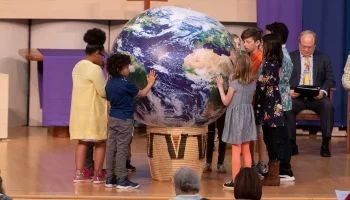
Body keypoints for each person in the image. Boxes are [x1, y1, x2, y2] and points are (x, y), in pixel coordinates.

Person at [104, 53, 157, 189]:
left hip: (113, 117)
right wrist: (150, 82)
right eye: (127, 67)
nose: (129, 69)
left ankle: (110, 178)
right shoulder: (126, 84)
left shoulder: (109, 83)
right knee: (122, 148)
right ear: (120, 69)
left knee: (111, 147)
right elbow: (142, 93)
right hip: (125, 118)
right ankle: (122, 179)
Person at [289, 30, 335, 157]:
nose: (306, 49)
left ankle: (325, 144)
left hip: (316, 98)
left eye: (310, 47)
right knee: (288, 107)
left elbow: (330, 79)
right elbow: (282, 79)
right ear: (299, 44)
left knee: (328, 106)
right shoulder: (290, 58)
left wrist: (323, 92)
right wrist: (288, 91)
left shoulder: (324, 58)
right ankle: (292, 144)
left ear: (315, 46)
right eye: (304, 46)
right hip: (297, 97)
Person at [70, 28, 107, 184]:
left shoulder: (78, 66)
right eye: (102, 55)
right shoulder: (94, 69)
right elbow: (103, 92)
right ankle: (97, 175)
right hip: (94, 112)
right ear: (97, 53)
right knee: (100, 142)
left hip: (79, 112)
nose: (103, 59)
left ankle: (78, 174)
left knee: (82, 142)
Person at [217, 54, 257, 188]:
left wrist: (221, 87)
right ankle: (248, 180)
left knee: (236, 148)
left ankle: (235, 181)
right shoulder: (252, 83)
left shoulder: (234, 84)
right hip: (247, 116)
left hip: (236, 117)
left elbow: (226, 101)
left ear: (237, 67)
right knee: (246, 149)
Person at [264, 22, 295, 182]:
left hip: (280, 101)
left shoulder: (282, 57)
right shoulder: (278, 54)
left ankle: (284, 169)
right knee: (276, 137)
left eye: (267, 34)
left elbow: (276, 80)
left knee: (280, 137)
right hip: (277, 101)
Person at [255, 33, 284, 186]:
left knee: (270, 139)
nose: (261, 47)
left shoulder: (270, 64)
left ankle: (274, 176)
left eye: (263, 45)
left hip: (269, 104)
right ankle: (273, 174)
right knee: (268, 137)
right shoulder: (272, 62)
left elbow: (263, 83)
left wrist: (255, 81)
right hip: (269, 102)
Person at [241, 27, 268, 176]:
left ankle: (262, 164)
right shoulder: (248, 57)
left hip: (257, 99)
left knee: (259, 133)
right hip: (248, 99)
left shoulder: (260, 58)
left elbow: (256, 79)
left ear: (257, 42)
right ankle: (249, 163)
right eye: (244, 41)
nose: (245, 44)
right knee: (250, 133)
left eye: (248, 41)